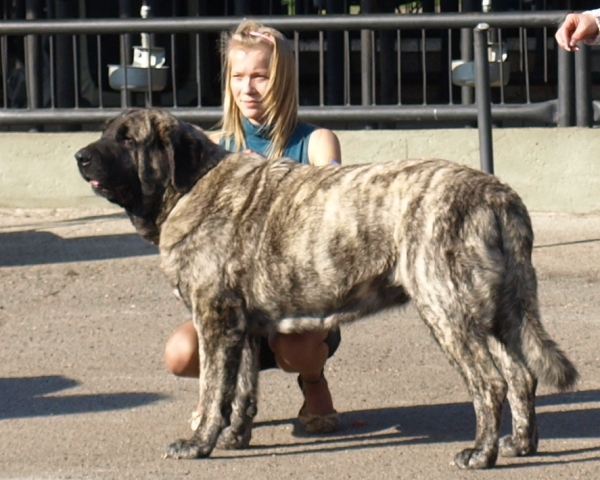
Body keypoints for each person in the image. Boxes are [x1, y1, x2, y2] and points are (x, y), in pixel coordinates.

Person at [164, 19, 343, 435]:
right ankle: (217, 395)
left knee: (294, 347)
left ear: (282, 80)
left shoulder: (317, 142)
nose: (248, 88)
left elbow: (330, 223)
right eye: (238, 76)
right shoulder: (209, 150)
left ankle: (313, 382)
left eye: (260, 76)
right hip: (233, 305)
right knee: (179, 353)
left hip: (298, 302)